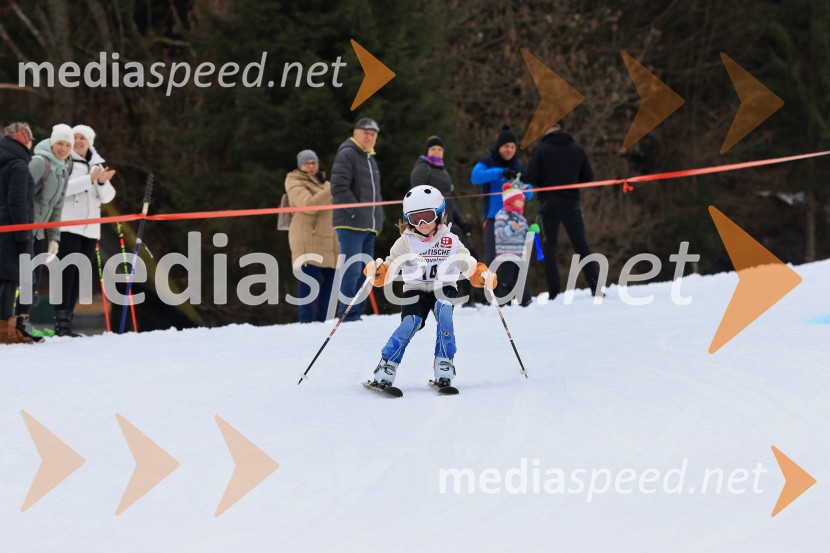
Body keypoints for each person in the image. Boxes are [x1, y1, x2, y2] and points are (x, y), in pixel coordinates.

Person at [362, 185, 497, 391]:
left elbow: (467, 263)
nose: (423, 224)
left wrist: (482, 275)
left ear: (440, 214)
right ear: (408, 220)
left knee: (444, 314)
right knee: (410, 323)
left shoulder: (450, 240)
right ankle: (386, 367)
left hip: (444, 287)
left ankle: (444, 364)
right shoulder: (405, 242)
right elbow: (390, 266)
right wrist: (378, 272)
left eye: (427, 216)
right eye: (416, 219)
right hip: (415, 289)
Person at [526, 123, 601, 299]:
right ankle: (595, 287)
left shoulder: (541, 149)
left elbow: (531, 177)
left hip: (548, 205)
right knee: (581, 245)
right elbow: (588, 177)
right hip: (571, 204)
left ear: (546, 131)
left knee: (549, 248)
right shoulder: (577, 149)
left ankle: (554, 292)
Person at [55, 124, 116, 337]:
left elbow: (107, 197)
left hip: (90, 230)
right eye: (76, 137)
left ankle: (67, 323)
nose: (79, 141)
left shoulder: (97, 163)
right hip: (69, 225)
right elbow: (63, 189)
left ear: (90, 142)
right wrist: (90, 179)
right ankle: (60, 323)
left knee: (78, 276)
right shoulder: (64, 160)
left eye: (83, 138)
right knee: (66, 274)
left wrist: (100, 182)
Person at [15, 124, 74, 342]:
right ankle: (8, 323)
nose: (63, 148)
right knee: (18, 277)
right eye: (60, 143)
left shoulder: (64, 169)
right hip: (23, 228)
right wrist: (21, 226)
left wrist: (55, 238)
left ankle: (21, 322)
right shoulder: (40, 162)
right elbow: (20, 194)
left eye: (67, 145)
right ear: (52, 142)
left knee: (33, 279)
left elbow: (57, 207)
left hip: (40, 233)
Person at [410, 135, 478, 307]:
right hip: (433, 226)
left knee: (468, 255)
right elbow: (416, 198)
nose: (437, 152)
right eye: (433, 149)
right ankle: (435, 300)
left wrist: (462, 222)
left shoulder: (443, 171)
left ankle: (469, 299)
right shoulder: (422, 168)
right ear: (427, 151)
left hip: (451, 224)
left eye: (439, 149)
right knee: (440, 263)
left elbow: (451, 202)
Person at [331, 117, 384, 322]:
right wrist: (355, 211)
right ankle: (347, 314)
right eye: (366, 133)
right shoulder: (347, 154)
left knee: (366, 272)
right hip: (350, 223)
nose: (370, 137)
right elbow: (339, 186)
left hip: (369, 226)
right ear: (356, 133)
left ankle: (356, 313)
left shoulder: (370, 158)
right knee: (351, 269)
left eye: (373, 134)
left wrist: (377, 218)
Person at [286, 149, 339, 323]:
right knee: (310, 278)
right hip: (307, 237)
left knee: (331, 279)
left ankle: (321, 319)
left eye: (313, 162)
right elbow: (308, 205)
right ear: (300, 165)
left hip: (328, 238)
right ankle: (306, 320)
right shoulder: (294, 181)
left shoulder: (324, 183)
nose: (311, 166)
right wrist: (331, 189)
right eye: (307, 163)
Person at [470, 124, 533, 265]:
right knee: (493, 262)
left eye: (512, 147)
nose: (509, 149)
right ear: (499, 147)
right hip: (493, 218)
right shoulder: (488, 161)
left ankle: (517, 286)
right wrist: (500, 173)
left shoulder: (518, 166)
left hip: (515, 220)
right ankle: (491, 286)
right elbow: (475, 177)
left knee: (515, 263)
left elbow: (530, 193)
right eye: (506, 146)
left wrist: (525, 188)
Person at [0, 122, 36, 345]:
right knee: (9, 278)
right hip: (11, 228)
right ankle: (5, 330)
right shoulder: (19, 165)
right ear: (24, 137)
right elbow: (17, 202)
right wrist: (22, 235)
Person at [493, 183, 532, 307]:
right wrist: (510, 228)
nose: (523, 202)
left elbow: (524, 233)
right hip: (507, 254)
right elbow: (499, 235)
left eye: (523, 200)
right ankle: (503, 302)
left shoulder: (520, 218)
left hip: (519, 254)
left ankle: (526, 300)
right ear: (511, 201)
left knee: (520, 277)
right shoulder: (502, 215)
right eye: (520, 200)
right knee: (506, 279)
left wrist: (531, 231)